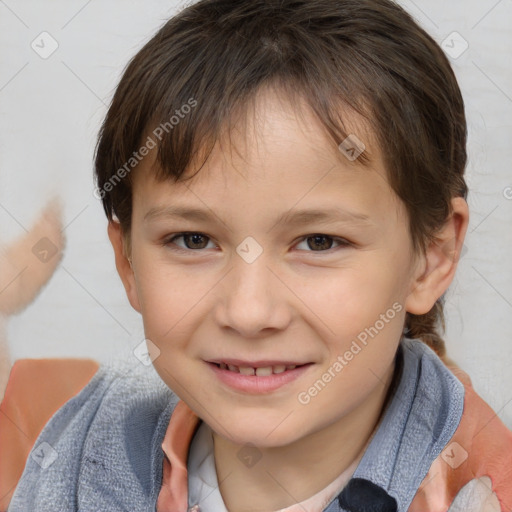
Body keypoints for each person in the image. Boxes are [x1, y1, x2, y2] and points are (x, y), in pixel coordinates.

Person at [5, 0, 512, 510]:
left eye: (319, 242)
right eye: (193, 240)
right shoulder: (80, 450)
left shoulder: (482, 486)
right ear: (128, 262)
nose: (248, 312)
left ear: (431, 256)